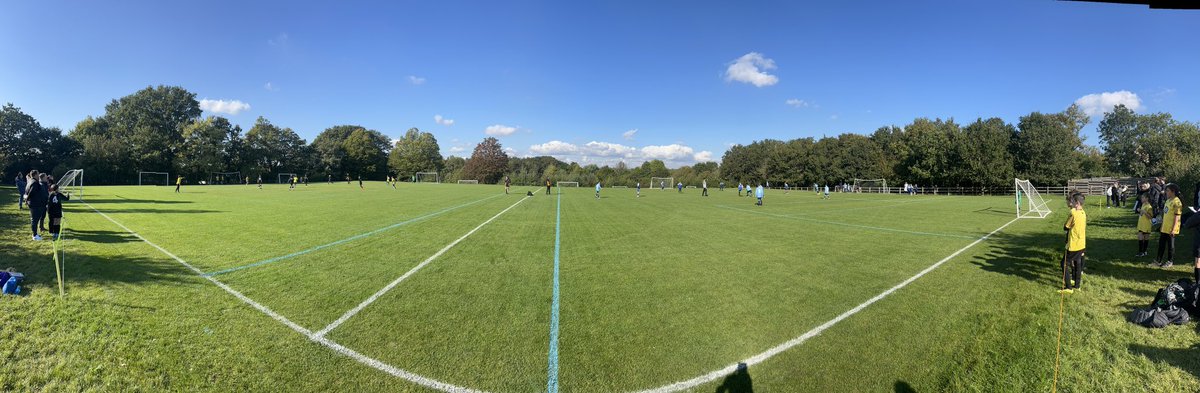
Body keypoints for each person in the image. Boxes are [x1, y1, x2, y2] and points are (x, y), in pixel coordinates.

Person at [1060, 192, 1086, 293]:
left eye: (1073, 201)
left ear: (1077, 202)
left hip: (1074, 244)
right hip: (1082, 243)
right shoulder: (1083, 212)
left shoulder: (1073, 213)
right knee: (1078, 262)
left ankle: (1068, 288)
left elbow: (1066, 227)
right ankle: (1077, 285)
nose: (1072, 203)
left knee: (1064, 264)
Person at [1153, 184, 1183, 268]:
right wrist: (1162, 224)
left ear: (1173, 192)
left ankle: (1170, 261)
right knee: (1161, 244)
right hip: (1164, 227)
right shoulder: (1168, 200)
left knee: (1170, 246)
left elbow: (1177, 217)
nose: (1166, 192)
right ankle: (1158, 261)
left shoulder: (1177, 202)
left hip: (1171, 228)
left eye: (1168, 191)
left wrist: (1173, 229)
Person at [24, 171, 48, 240]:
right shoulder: (35, 182)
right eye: (38, 174)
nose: (38, 175)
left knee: (34, 220)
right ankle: (34, 235)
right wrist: (27, 199)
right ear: (35, 175)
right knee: (34, 220)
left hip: (33, 204)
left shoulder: (30, 181)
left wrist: (26, 199)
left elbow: (26, 192)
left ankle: (35, 234)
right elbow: (31, 192)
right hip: (35, 204)